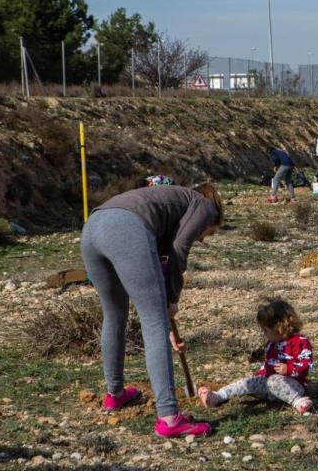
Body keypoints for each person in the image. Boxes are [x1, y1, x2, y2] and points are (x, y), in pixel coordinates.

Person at [81, 184, 223, 438]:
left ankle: (115, 394)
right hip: (126, 228)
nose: (202, 238)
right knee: (154, 320)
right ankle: (169, 418)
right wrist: (171, 299)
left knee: (114, 314)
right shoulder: (205, 206)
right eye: (208, 233)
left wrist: (168, 325)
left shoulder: (168, 206)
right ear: (211, 220)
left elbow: (158, 262)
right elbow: (180, 247)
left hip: (92, 228)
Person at [198, 300, 313, 414]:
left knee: (273, 381)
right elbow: (268, 364)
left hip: (293, 385)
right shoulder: (271, 344)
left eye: (266, 330)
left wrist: (289, 369)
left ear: (279, 327)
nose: (264, 334)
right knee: (247, 383)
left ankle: (298, 402)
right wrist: (258, 376)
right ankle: (218, 396)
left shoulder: (300, 342)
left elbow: (307, 365)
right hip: (269, 383)